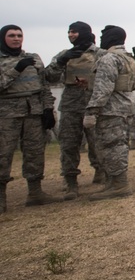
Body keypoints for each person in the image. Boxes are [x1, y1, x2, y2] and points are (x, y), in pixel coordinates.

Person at [0, 25, 62, 213]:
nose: (16, 38)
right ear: (3, 38)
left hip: (33, 112)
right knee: (3, 155)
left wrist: (48, 109)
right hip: (6, 115)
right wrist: (16, 70)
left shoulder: (34, 59)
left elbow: (43, 86)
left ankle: (35, 193)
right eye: (12, 35)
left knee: (35, 152)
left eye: (19, 35)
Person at [43, 21, 104, 196]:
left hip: (94, 103)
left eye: (74, 32)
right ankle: (70, 181)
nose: (70, 35)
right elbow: (49, 77)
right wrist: (61, 61)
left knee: (97, 141)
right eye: (69, 32)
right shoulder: (63, 55)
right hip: (71, 105)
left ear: (84, 33)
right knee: (68, 143)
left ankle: (101, 170)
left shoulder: (100, 54)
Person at [83, 26, 135, 200]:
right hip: (125, 106)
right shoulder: (129, 59)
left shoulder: (109, 59)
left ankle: (119, 184)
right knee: (117, 145)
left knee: (111, 146)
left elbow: (103, 88)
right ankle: (111, 182)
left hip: (112, 109)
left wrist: (92, 111)